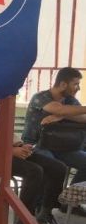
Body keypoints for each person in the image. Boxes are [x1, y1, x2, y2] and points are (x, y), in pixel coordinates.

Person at [23, 67, 86, 216]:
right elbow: (58, 109)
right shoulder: (40, 97)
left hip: (63, 147)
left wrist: (61, 116)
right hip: (36, 145)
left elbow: (82, 117)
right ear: (63, 84)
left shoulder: (70, 100)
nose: (78, 88)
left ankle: (69, 201)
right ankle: (43, 207)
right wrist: (62, 112)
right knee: (54, 166)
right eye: (75, 84)